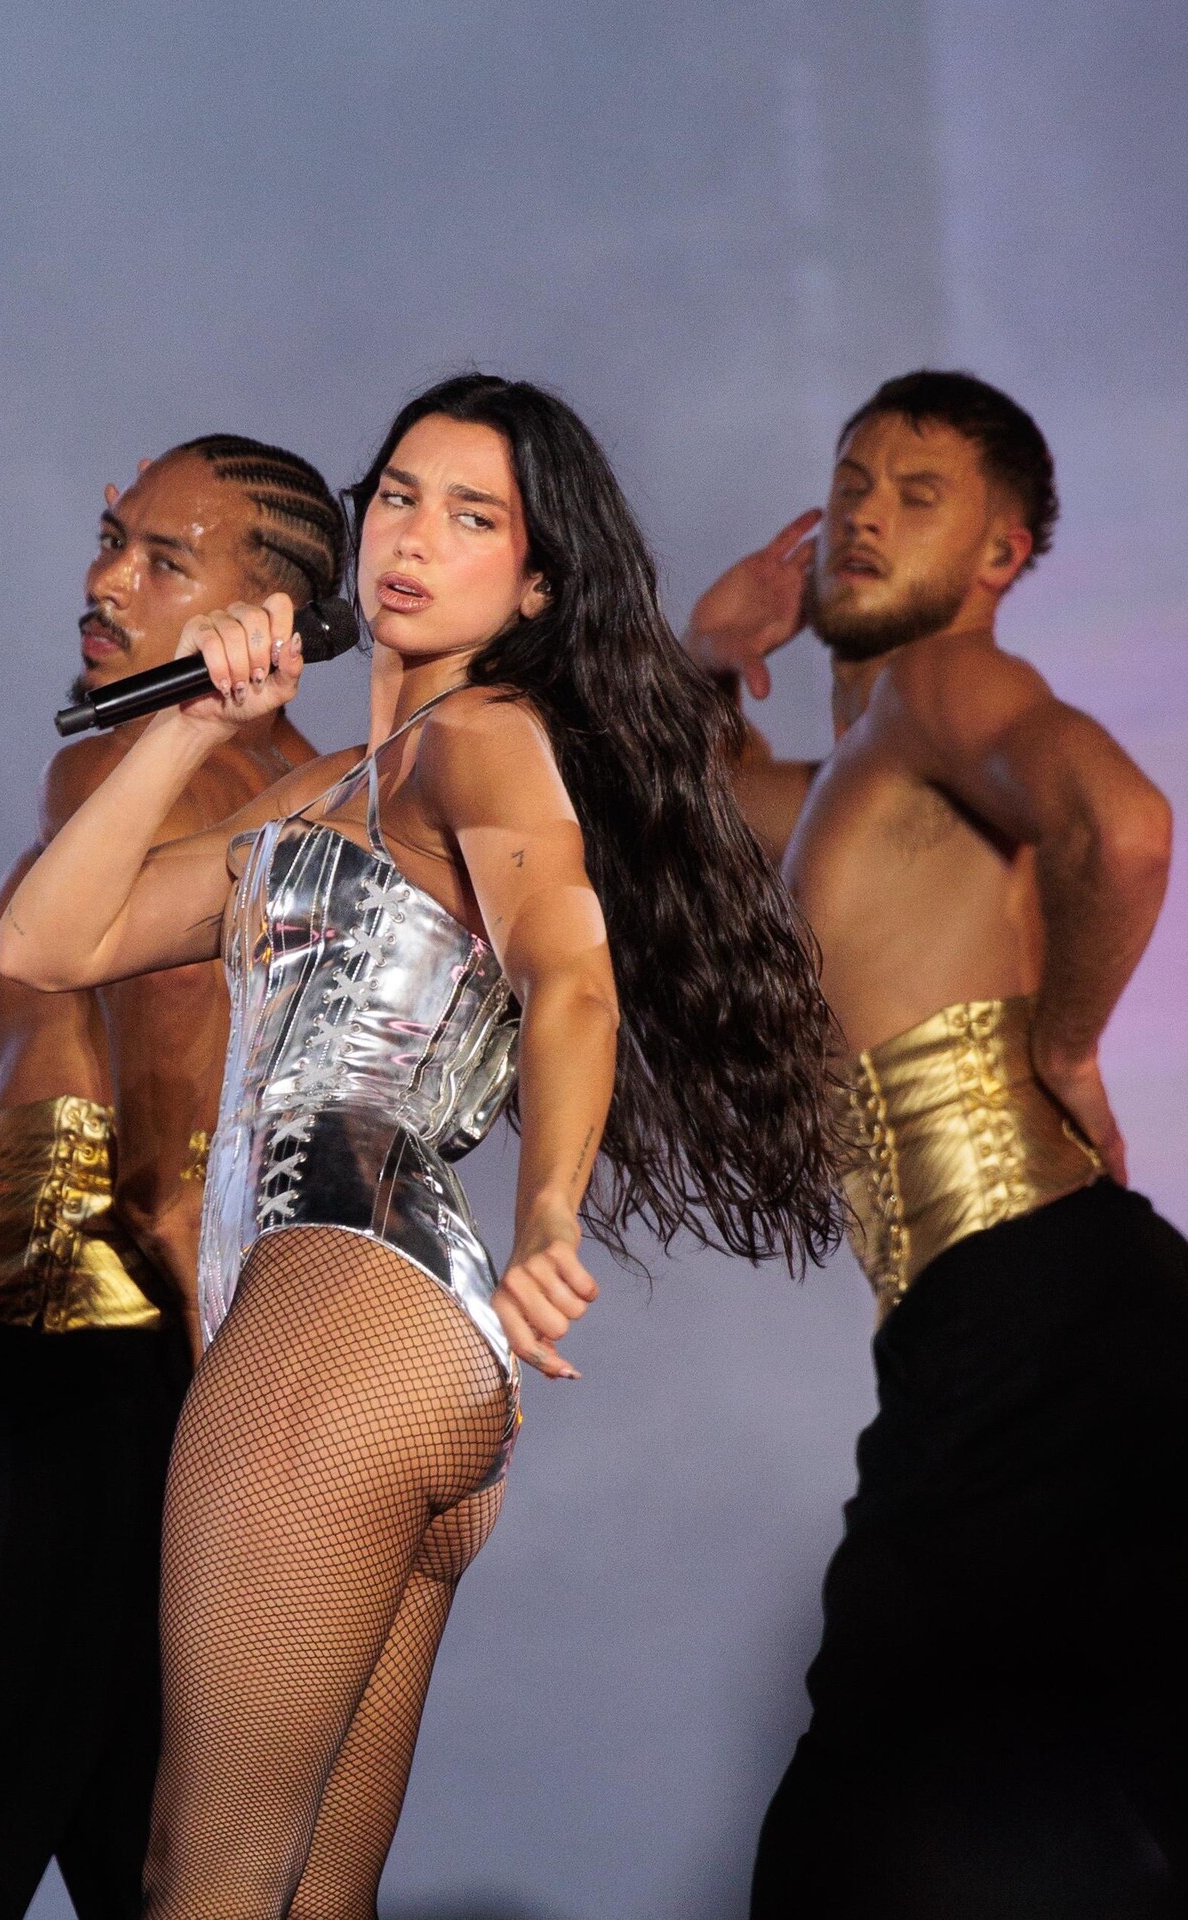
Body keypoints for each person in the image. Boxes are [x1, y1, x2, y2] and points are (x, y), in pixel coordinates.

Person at [0, 372, 844, 1919]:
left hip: (346, 1295)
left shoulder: (482, 735)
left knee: (205, 1873)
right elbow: (52, 942)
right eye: (397, 496)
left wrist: (551, 1216)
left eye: (470, 517)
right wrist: (190, 725)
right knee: (310, 1896)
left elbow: (570, 972)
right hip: (404, 1341)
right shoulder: (320, 791)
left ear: (533, 585)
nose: (411, 536)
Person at [0, 435, 341, 1920]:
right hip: (183, 1395)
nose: (107, 582)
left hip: (64, 1369)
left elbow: (171, 1125)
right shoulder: (310, 788)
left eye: (166, 561)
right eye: (114, 538)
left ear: (270, 615)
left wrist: (186, 1413)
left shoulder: (130, 763)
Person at [687, 370, 1183, 1916]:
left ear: (999, 554)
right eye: (849, 481)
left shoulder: (938, 688)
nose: (864, 513)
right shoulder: (853, 777)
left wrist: (1067, 1044)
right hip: (1017, 1319)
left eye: (917, 494)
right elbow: (693, 803)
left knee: (866, 1824)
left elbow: (1124, 828)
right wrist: (711, 651)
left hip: (1040, 1305)